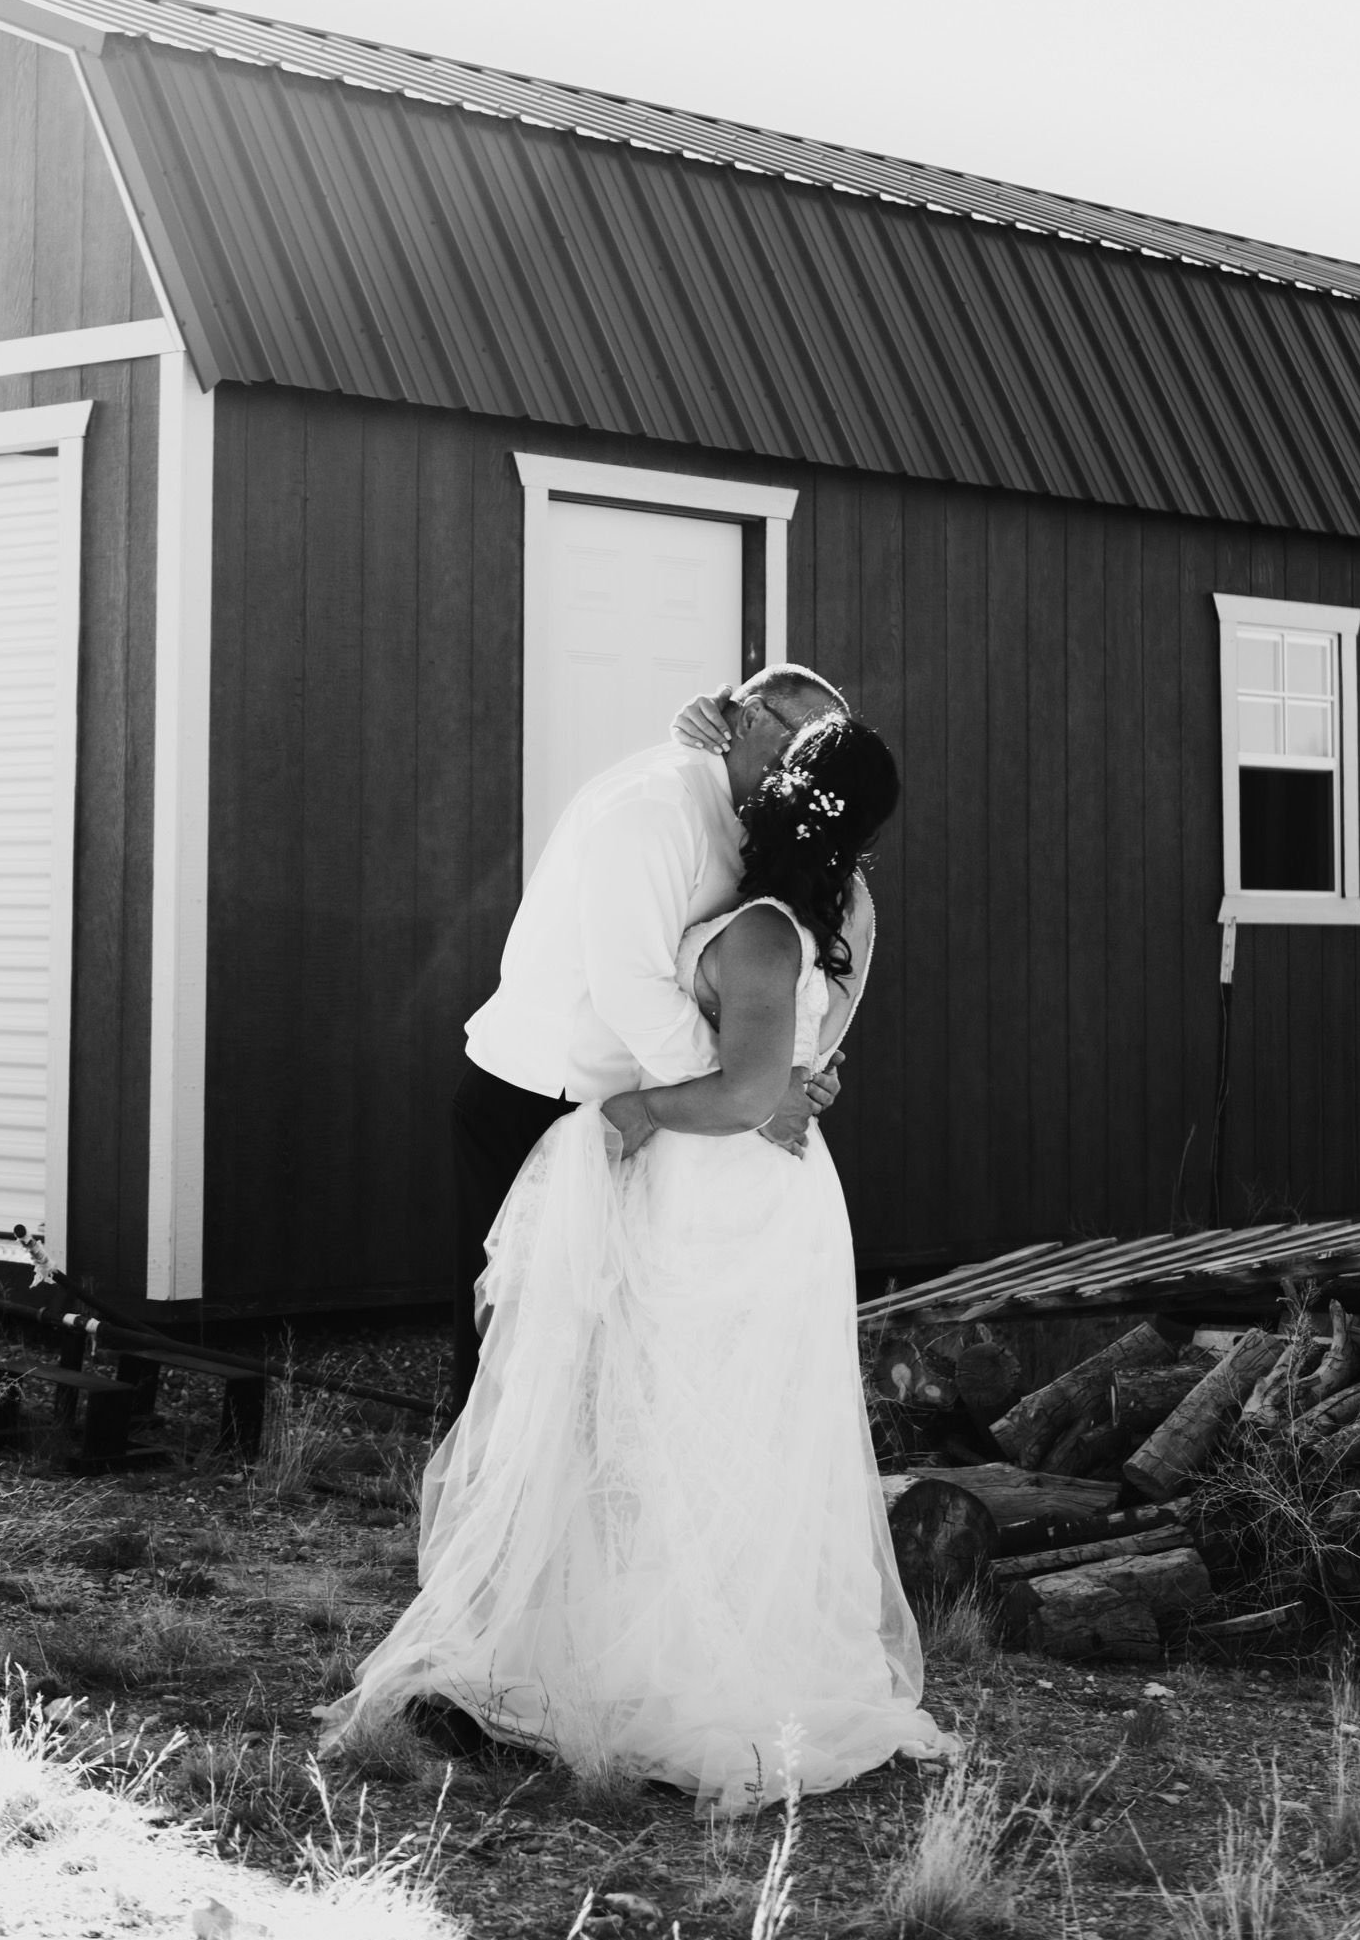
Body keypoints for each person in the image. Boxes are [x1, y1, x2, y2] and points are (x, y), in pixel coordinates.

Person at [324, 710, 953, 1813]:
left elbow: (752, 1081)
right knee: (670, 1411)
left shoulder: (758, 919)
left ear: (781, 789)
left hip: (716, 1185)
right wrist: (781, 1080)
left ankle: (641, 1659)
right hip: (744, 1177)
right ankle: (559, 1620)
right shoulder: (728, 859)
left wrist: (639, 1113)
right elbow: (778, 1051)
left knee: (664, 1411)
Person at [449, 662, 853, 1405]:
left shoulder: (750, 817)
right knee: (518, 1330)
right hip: (544, 1089)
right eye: (803, 745)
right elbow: (629, 987)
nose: (810, 770)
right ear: (751, 719)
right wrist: (746, 1095)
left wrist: (783, 1068)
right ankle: (483, 1507)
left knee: (609, 1336)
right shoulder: (652, 807)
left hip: (638, 1099)